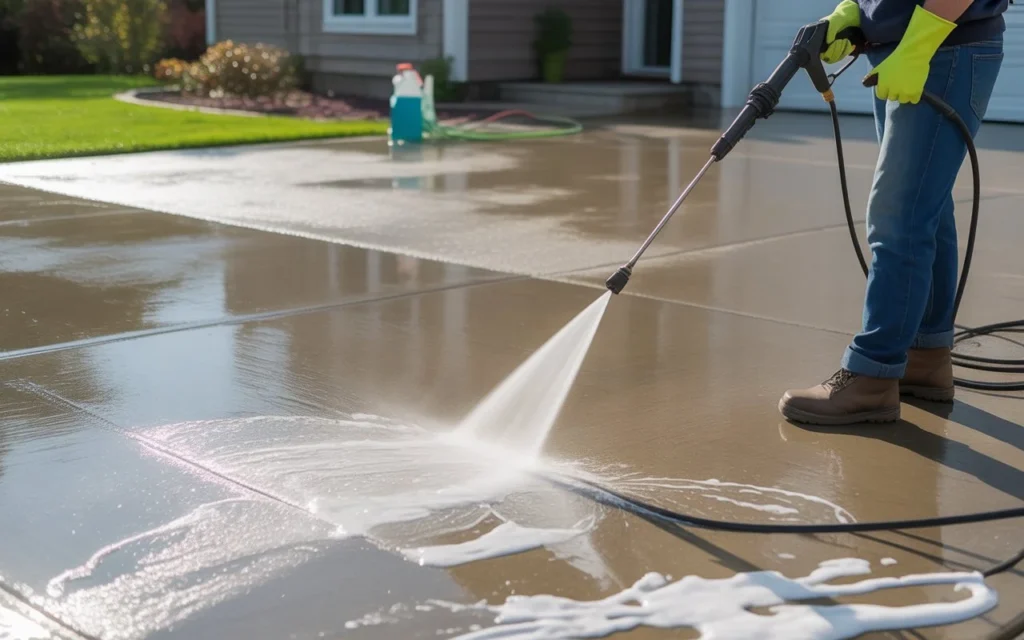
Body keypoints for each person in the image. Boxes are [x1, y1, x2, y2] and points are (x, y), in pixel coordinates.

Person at [778, 0, 1007, 425]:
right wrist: (856, 13)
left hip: (941, 48)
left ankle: (872, 375)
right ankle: (925, 356)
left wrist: (918, 44)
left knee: (898, 216)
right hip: (907, 48)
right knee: (925, 209)